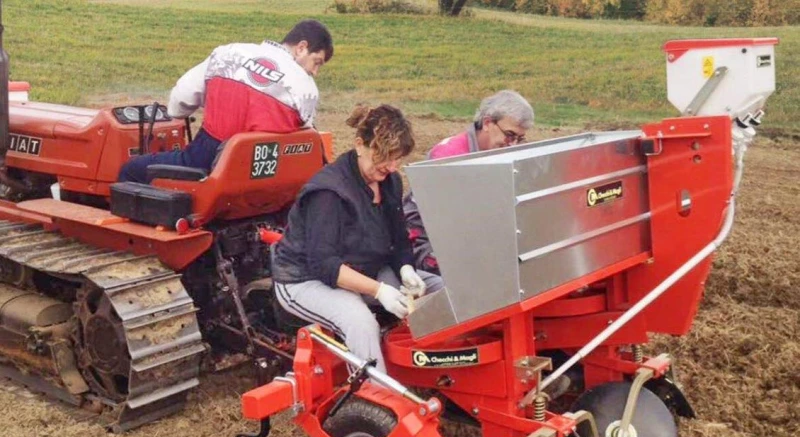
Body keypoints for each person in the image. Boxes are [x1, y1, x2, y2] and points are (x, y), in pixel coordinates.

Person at [272, 105, 443, 373]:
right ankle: (377, 401)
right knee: (360, 322)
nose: (391, 166)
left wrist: (405, 268)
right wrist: (379, 290)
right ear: (359, 144)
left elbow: (398, 240)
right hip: (305, 278)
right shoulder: (329, 192)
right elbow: (324, 264)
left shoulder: (389, 182)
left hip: (364, 268)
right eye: (384, 156)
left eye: (397, 158)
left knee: (439, 291)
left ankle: (441, 374)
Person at [118, 19, 334, 183]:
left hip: (210, 159)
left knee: (130, 169)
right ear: (301, 47)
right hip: (265, 172)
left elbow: (178, 105)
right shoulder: (306, 88)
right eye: (317, 62)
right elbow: (304, 138)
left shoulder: (227, 54)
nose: (314, 72)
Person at [404, 89, 534, 274]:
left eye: (519, 139)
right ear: (488, 123)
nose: (512, 144)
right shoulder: (448, 158)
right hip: (429, 244)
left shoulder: (501, 155)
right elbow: (436, 225)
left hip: (471, 240)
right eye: (510, 135)